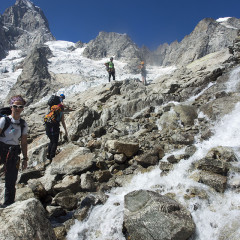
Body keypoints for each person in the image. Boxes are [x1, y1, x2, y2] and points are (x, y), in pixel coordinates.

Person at [0, 95, 28, 207]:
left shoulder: (23, 124)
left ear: (22, 108)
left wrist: (25, 158)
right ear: (11, 107)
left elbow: (24, 142)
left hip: (14, 151)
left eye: (20, 106)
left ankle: (8, 204)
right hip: (1, 148)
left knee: (11, 180)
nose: (17, 108)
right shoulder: (4, 120)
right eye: (15, 106)